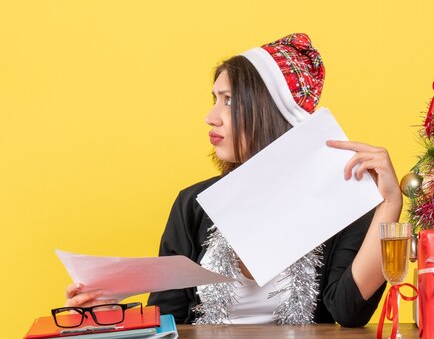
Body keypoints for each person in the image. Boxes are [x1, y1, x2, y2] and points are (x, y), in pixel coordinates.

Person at [64, 33, 402, 327]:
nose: (210, 117)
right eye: (214, 99)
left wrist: (389, 204)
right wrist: (107, 313)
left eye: (228, 100)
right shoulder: (192, 206)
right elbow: (168, 317)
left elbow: (348, 311)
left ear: (271, 109)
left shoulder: (343, 203)